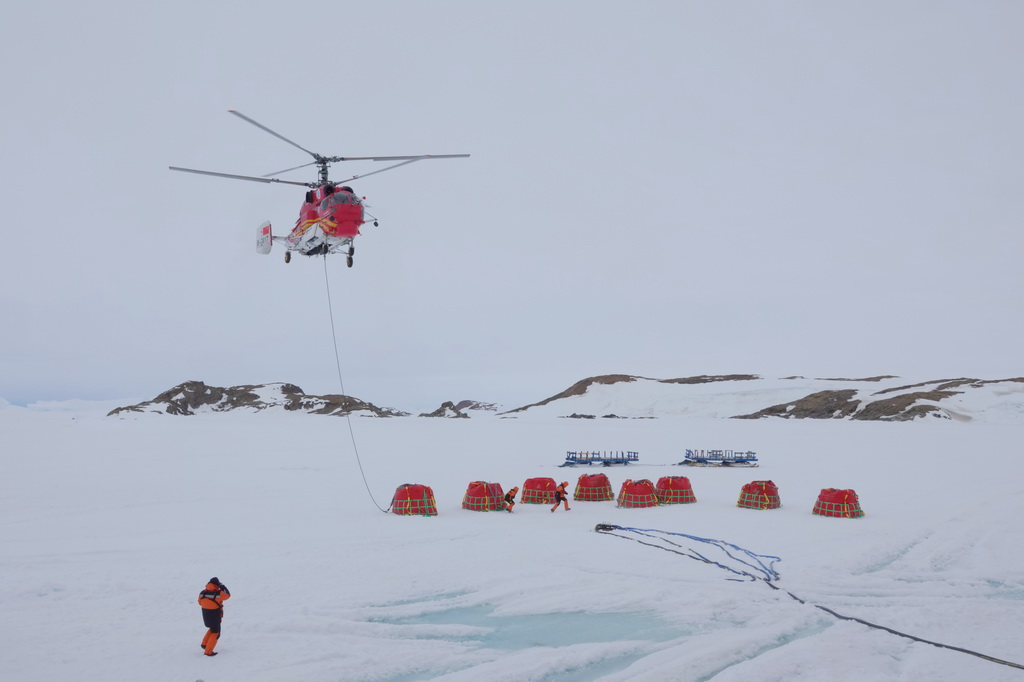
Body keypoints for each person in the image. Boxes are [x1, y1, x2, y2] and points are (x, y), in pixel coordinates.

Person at [198, 577, 231, 656]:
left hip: (206, 615)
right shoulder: (218, 594)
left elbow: (199, 602)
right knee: (216, 633)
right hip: (215, 615)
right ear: (217, 585)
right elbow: (228, 595)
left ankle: (204, 644)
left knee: (212, 629)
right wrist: (222, 586)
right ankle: (208, 651)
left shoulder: (202, 593)